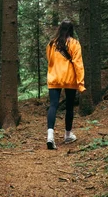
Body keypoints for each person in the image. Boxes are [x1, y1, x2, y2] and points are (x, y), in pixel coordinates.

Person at [45, 19, 86, 150]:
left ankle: (50, 136)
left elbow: (49, 60)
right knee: (69, 107)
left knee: (53, 105)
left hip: (55, 77)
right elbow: (78, 64)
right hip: (69, 78)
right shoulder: (74, 43)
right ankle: (67, 135)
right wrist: (81, 83)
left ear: (60, 29)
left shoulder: (52, 44)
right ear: (71, 30)